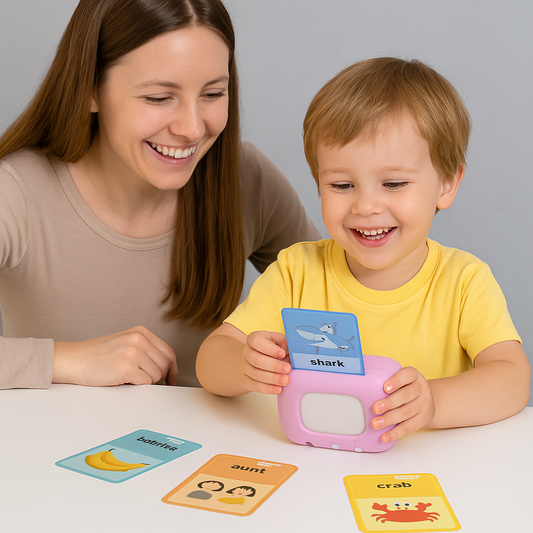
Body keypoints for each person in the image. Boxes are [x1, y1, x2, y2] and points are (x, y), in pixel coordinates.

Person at [196, 58, 530, 444]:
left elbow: (513, 379)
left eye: (393, 183)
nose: (366, 206)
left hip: (425, 470)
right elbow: (210, 359)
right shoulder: (296, 271)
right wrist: (244, 365)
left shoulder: (464, 282)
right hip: (316, 459)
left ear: (446, 184)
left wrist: (434, 402)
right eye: (342, 185)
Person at [0, 0, 320, 390]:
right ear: (89, 89)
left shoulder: (246, 178)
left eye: (213, 93)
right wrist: (67, 360)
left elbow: (344, 298)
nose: (192, 128)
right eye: (158, 97)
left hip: (213, 433)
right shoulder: (15, 192)